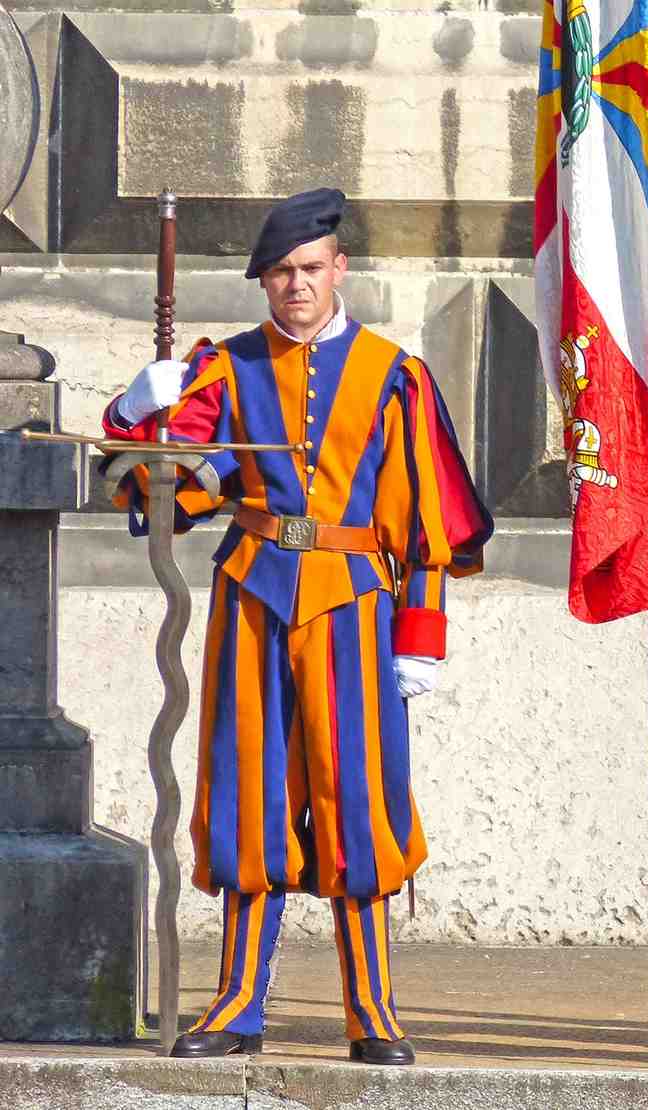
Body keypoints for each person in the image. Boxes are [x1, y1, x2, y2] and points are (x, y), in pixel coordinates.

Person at [102, 188, 492, 1064]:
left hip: (353, 601)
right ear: (264, 282)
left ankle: (373, 1011)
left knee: (359, 797)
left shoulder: (395, 373)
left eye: (309, 269)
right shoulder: (225, 368)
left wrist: (421, 634)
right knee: (248, 791)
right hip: (253, 589)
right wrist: (134, 412)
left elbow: (423, 514)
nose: (295, 286)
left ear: (338, 268)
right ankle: (236, 1003)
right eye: (279, 273)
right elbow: (159, 484)